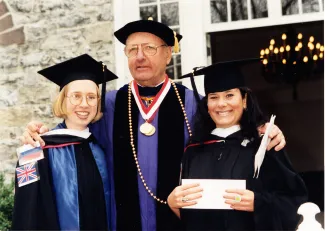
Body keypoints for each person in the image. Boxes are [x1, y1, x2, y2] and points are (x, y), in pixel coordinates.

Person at [20, 20, 287, 231]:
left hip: (182, 221)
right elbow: (75, 131)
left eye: (149, 48)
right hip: (122, 222)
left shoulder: (192, 102)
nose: (140, 56)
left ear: (169, 54)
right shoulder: (109, 104)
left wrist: (266, 129)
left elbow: (230, 122)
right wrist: (38, 135)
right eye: (132, 50)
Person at [167, 59, 308, 231]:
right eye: (214, 97)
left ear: (244, 100)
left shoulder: (265, 144)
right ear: (207, 105)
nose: (221, 104)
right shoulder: (193, 151)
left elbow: (296, 203)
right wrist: (174, 204)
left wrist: (259, 203)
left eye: (229, 95)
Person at [12, 54, 118, 230]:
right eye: (76, 96)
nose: (84, 104)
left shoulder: (102, 146)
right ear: (63, 100)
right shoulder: (34, 148)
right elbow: (25, 210)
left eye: (91, 97)